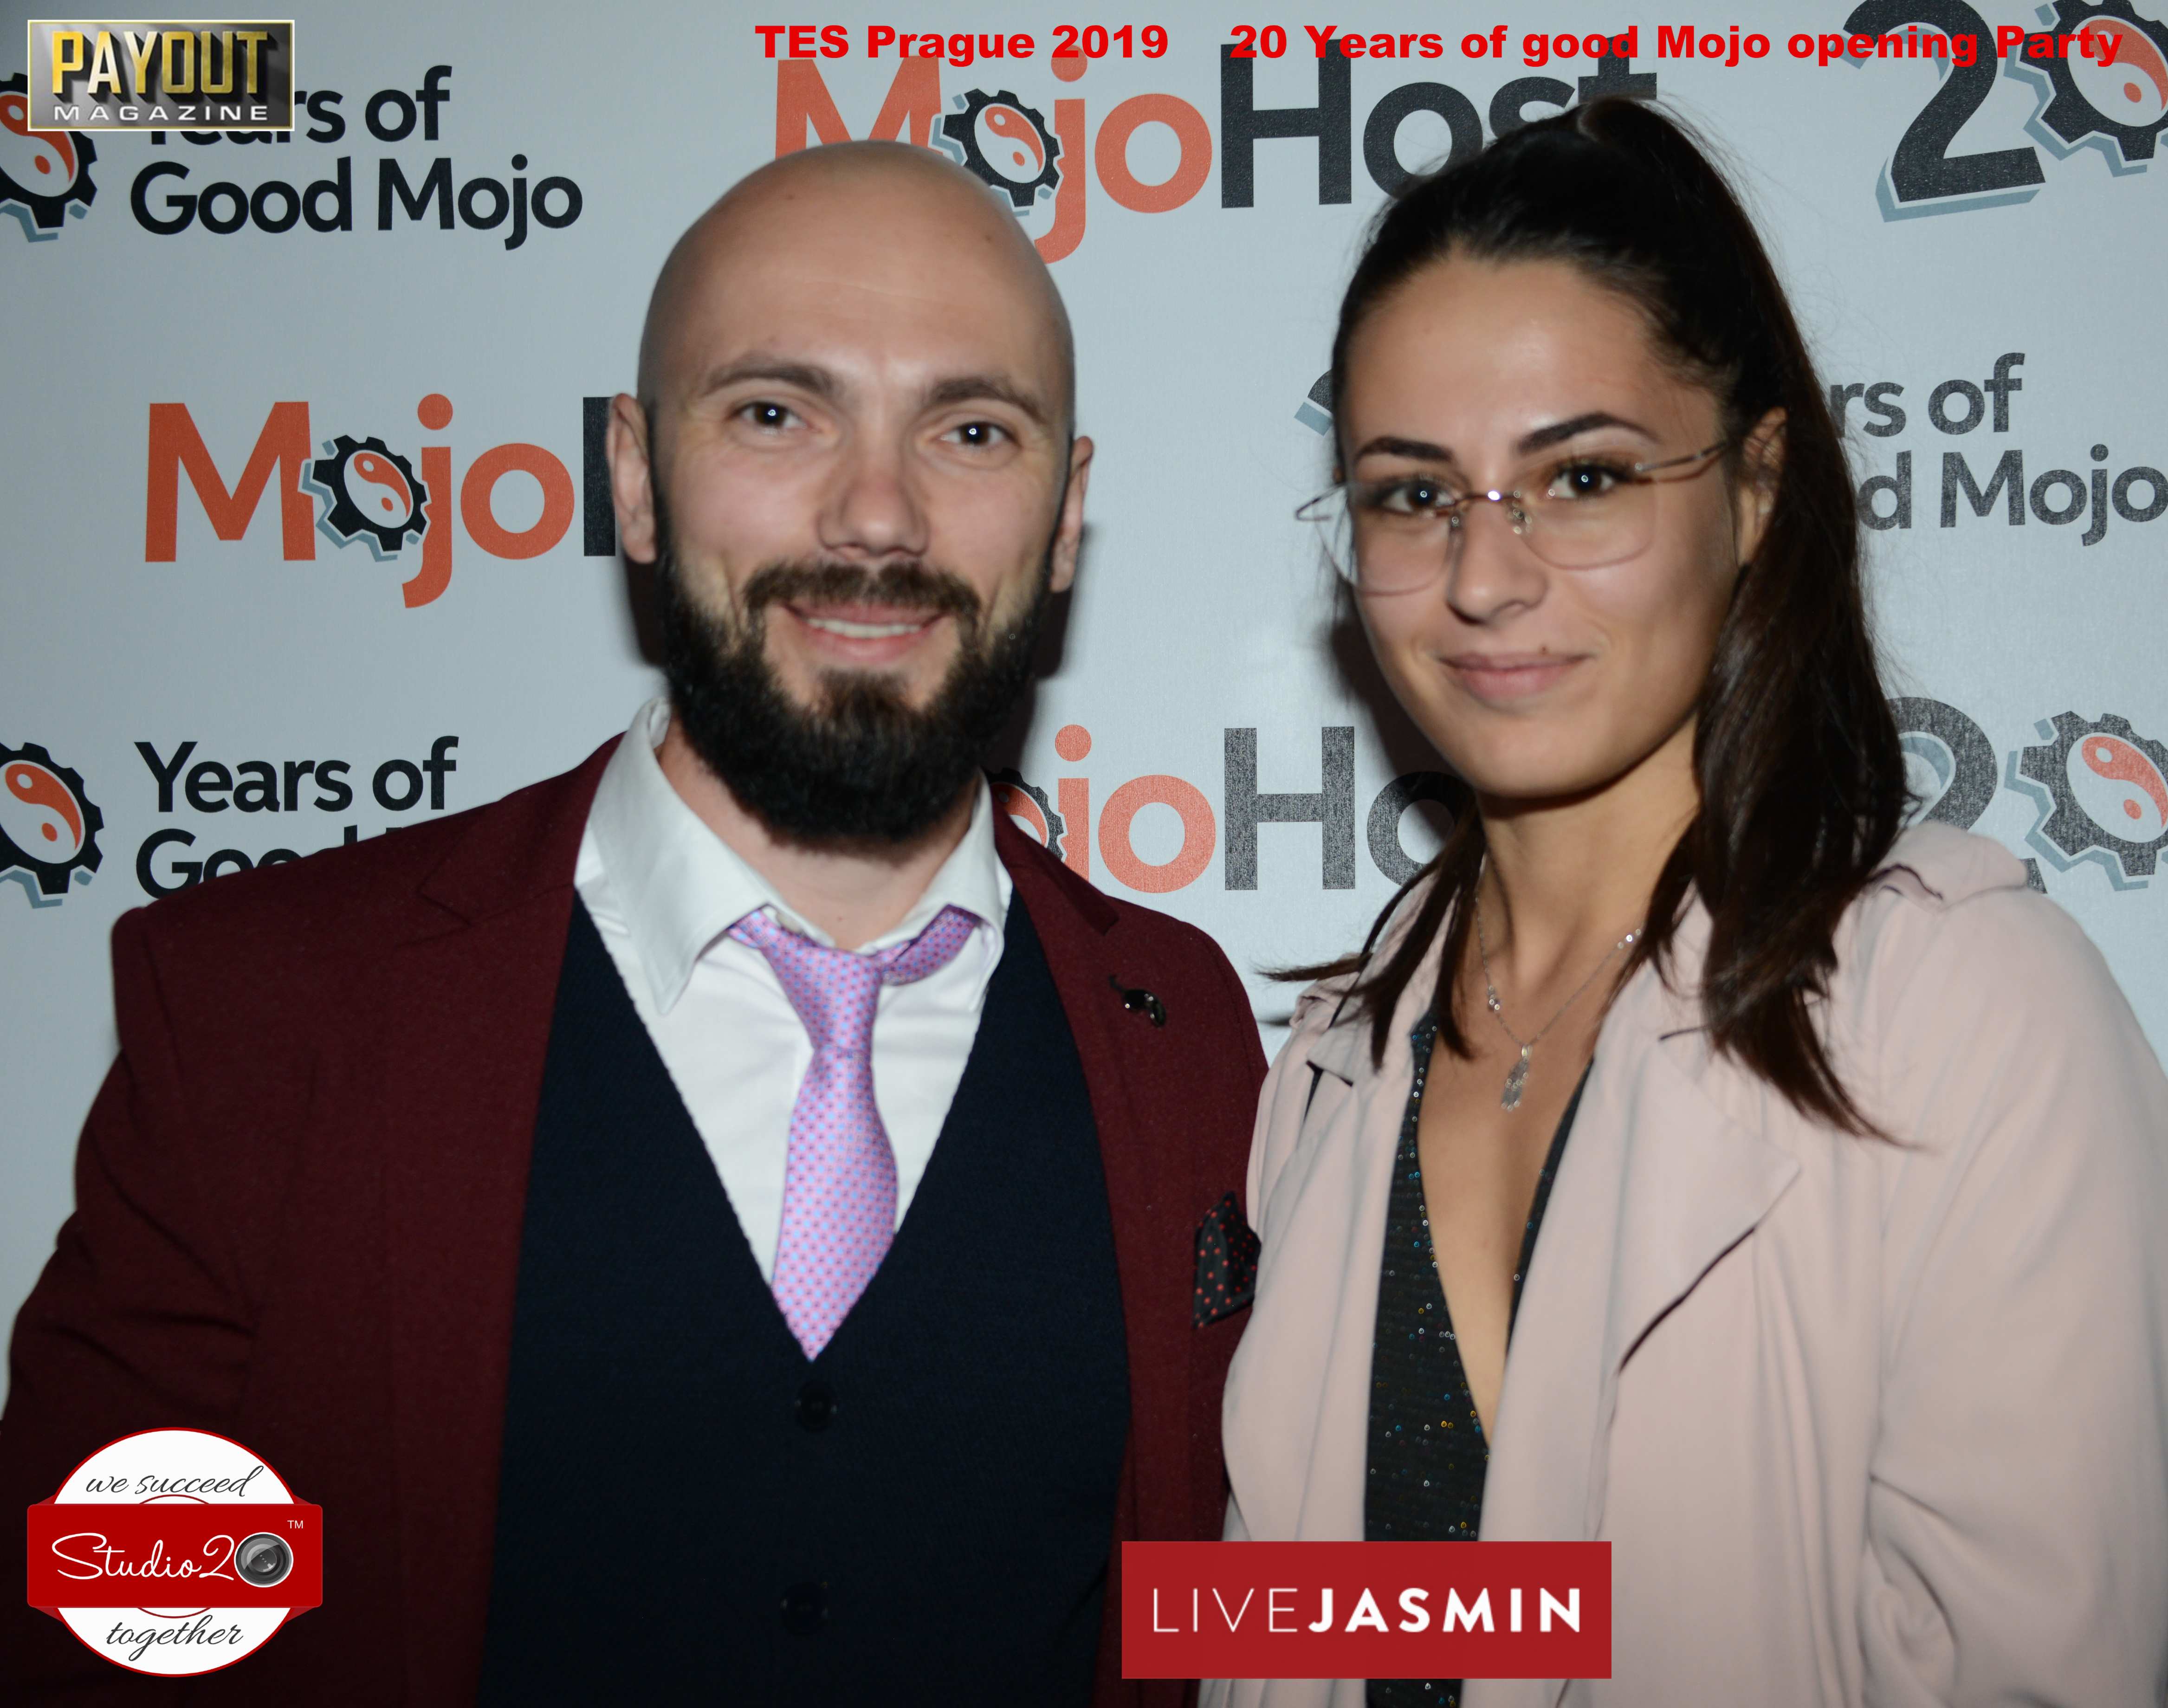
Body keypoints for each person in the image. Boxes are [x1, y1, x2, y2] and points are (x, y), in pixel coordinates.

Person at [1, 142, 1267, 1705]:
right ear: (634, 476)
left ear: (1065, 515)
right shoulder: (271, 1009)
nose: (878, 516)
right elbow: (101, 1615)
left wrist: (1550, 1615)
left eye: (971, 429)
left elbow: (1221, 1605)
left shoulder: (1186, 1032)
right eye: (776, 413)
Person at [1211, 102, 2168, 1708]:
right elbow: (1341, 1628)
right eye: (1414, 495)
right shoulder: (1335, 1063)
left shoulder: (1963, 1010)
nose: (1484, 578)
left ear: (1757, 487)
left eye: (1582, 477)